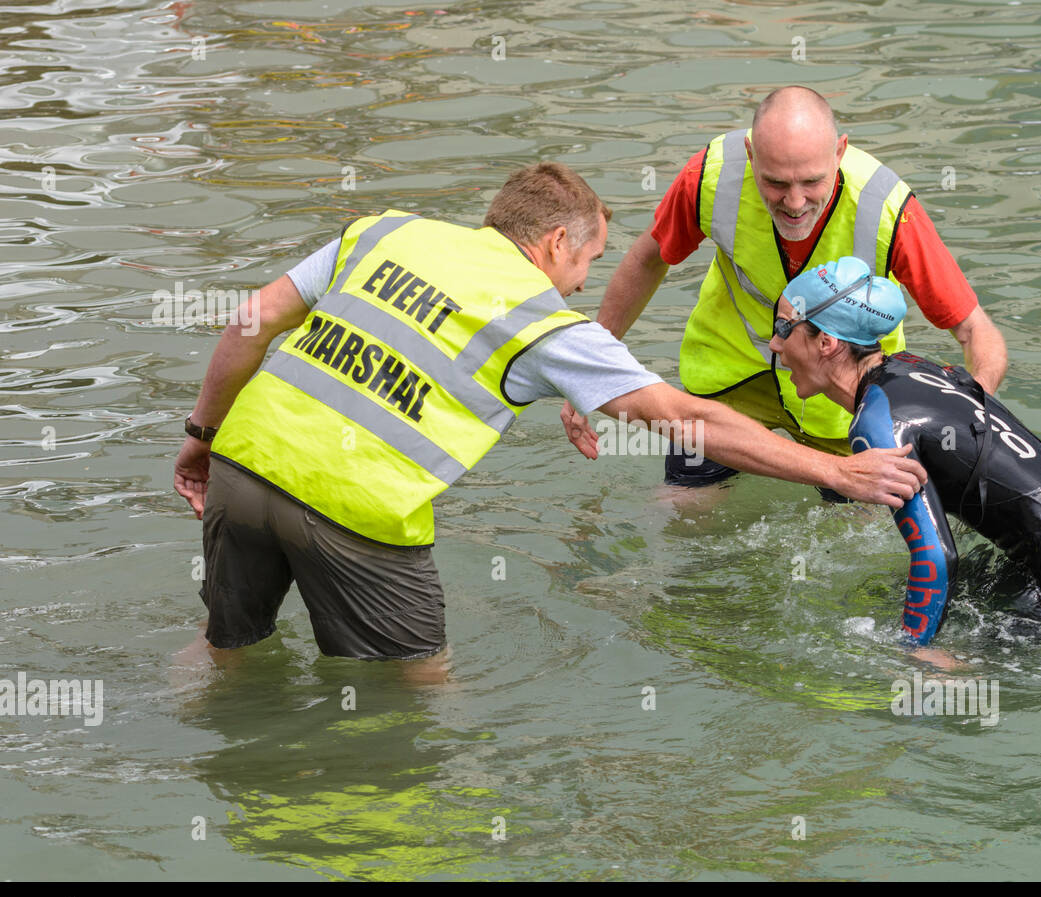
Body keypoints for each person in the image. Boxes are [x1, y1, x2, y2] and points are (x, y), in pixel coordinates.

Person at [173, 163, 928, 662]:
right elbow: (680, 414)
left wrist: (204, 436)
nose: (578, 286)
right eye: (586, 264)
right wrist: (838, 470)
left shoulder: (387, 231)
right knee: (414, 694)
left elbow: (253, 318)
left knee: (224, 652)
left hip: (242, 467)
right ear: (557, 241)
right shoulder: (542, 321)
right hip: (355, 511)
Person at [562, 85, 1008, 495]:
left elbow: (975, 331)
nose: (794, 203)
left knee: (856, 538)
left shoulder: (889, 209)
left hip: (841, 392)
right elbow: (648, 259)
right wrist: (591, 370)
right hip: (731, 370)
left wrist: (971, 416)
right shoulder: (708, 178)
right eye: (775, 183)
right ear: (751, 155)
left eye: (811, 181)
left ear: (840, 152)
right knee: (683, 516)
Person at [768, 256, 1041, 646]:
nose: (774, 344)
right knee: (890, 594)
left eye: (784, 328)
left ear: (827, 343)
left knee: (880, 632)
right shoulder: (911, 367)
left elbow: (935, 559)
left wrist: (914, 651)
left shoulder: (878, 425)